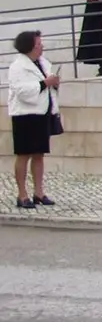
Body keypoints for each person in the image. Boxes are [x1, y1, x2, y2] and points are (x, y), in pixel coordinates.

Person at [8, 30, 61, 209]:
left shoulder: (42, 63)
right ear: (30, 46)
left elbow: (46, 85)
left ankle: (39, 192)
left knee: (39, 154)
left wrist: (53, 83)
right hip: (24, 115)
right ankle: (22, 194)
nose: (42, 47)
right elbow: (21, 91)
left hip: (41, 112)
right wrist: (45, 83)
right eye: (38, 44)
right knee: (23, 155)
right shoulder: (17, 66)